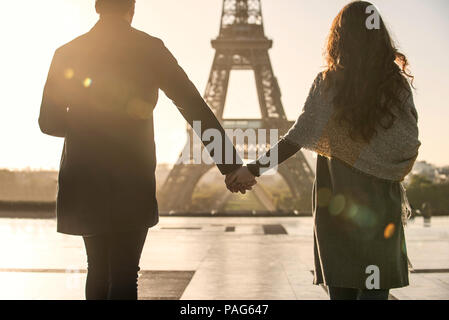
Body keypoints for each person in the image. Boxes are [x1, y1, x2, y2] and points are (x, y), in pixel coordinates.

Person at [39, 0, 255, 300]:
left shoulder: (67, 52)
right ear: (132, 8)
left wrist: (88, 129)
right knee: (126, 273)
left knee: (97, 269)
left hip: (84, 176)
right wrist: (230, 164)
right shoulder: (149, 48)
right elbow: (192, 105)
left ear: (97, 7)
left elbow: (47, 122)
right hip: (132, 175)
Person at [226, 1, 421, 300]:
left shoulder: (328, 84)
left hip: (337, 203)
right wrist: (368, 156)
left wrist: (251, 169)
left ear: (340, 36)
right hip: (381, 205)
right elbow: (407, 143)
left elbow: (297, 137)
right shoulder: (396, 86)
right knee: (374, 291)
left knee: (341, 292)